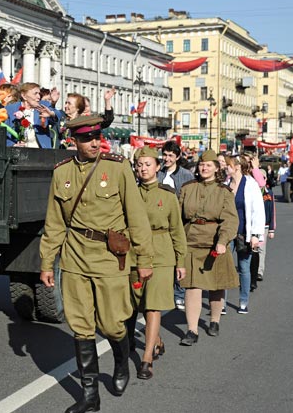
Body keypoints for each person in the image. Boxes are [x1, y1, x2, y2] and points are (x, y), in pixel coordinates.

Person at [39, 115, 154, 412]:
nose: (94, 142)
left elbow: (137, 217)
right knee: (80, 326)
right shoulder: (62, 172)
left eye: (97, 137)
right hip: (76, 255)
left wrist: (144, 258)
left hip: (109, 258)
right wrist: (46, 262)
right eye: (87, 138)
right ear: (73, 141)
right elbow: (54, 222)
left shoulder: (117, 169)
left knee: (113, 324)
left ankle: (120, 362)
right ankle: (90, 395)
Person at [126, 146, 187, 380]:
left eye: (148, 164)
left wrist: (181, 261)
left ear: (158, 167)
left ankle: (146, 359)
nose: (143, 168)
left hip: (161, 254)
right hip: (134, 253)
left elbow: (177, 230)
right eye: (139, 164)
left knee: (153, 305)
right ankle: (157, 341)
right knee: (136, 303)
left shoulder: (168, 195)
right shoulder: (130, 193)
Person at [178, 150, 239, 345]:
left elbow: (230, 220)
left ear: (217, 168)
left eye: (209, 165)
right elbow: (177, 218)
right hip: (191, 243)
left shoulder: (224, 192)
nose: (204, 168)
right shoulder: (187, 188)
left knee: (215, 285)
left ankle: (214, 320)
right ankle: (192, 330)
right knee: (192, 286)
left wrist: (222, 241)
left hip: (214, 243)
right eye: (202, 165)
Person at [157, 140, 196, 311]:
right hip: (160, 222)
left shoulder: (186, 175)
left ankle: (179, 293)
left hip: (179, 221)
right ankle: (165, 290)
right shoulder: (158, 173)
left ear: (178, 157)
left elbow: (191, 198)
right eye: (165, 155)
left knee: (180, 256)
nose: (167, 159)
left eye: (171, 156)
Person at [224, 156, 265, 314]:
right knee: (225, 267)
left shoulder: (250, 184)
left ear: (237, 167)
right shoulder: (226, 184)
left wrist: (256, 234)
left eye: (229, 165)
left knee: (243, 268)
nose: (226, 168)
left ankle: (243, 301)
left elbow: (258, 211)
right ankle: (221, 303)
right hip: (227, 233)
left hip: (243, 232)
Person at [4, 82, 60, 148]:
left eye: (39, 93)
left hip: (41, 151)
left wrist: (51, 114)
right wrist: (13, 145)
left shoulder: (43, 105)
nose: (39, 97)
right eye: (35, 93)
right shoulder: (10, 109)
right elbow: (4, 134)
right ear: (24, 95)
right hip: (19, 151)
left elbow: (58, 114)